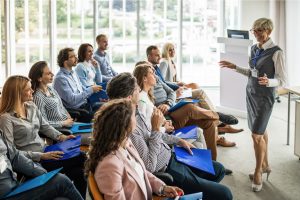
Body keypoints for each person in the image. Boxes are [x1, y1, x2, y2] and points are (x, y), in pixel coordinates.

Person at [106, 72, 233, 200]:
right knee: (225, 194)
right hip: (169, 169)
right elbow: (149, 166)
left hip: (172, 155)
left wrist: (179, 141)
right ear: (129, 97)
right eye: (136, 89)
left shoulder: (136, 112)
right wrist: (156, 129)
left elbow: (152, 136)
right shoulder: (128, 128)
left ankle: (203, 190)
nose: (139, 89)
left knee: (219, 169)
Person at [219, 18, 287, 192]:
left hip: (265, 98)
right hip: (251, 94)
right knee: (261, 131)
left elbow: (282, 80)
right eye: (254, 30)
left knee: (256, 136)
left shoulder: (277, 52)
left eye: (259, 31)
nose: (255, 34)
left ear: (268, 31)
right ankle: (266, 165)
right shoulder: (255, 48)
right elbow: (251, 73)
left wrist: (269, 81)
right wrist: (235, 67)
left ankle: (258, 171)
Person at [0, 75, 87, 198]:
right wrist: (41, 156)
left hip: (46, 150)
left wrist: (62, 137)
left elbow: (45, 126)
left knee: (78, 172)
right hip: (34, 159)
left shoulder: (31, 106)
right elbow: (11, 152)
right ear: (18, 93)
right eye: (28, 89)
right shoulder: (6, 119)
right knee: (81, 157)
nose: (33, 91)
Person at [85, 99, 183, 199]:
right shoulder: (109, 165)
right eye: (133, 115)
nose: (136, 118)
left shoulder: (125, 143)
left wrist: (162, 188)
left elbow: (141, 172)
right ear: (125, 125)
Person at [147, 45, 243, 147]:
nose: (159, 56)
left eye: (174, 49)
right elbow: (165, 84)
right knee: (198, 94)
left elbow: (163, 83)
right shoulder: (158, 66)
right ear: (149, 56)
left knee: (195, 88)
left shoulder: (157, 68)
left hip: (171, 95)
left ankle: (219, 124)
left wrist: (178, 86)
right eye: (156, 55)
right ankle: (219, 123)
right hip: (170, 99)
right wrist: (176, 88)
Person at [133, 63, 207, 149]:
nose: (155, 75)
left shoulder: (146, 96)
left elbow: (151, 121)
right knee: (198, 132)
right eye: (151, 73)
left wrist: (165, 122)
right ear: (144, 78)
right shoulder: (142, 101)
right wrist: (164, 128)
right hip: (161, 141)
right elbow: (146, 133)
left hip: (163, 133)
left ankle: (205, 161)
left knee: (198, 144)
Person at [0, 131, 83, 200]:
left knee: (63, 196)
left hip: (15, 186)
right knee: (61, 180)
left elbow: (14, 156)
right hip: (7, 195)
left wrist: (44, 174)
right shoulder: (6, 119)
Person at [53, 47, 102, 122]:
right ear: (65, 61)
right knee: (107, 114)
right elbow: (72, 100)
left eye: (75, 55)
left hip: (86, 105)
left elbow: (83, 90)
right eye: (72, 56)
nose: (76, 58)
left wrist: (94, 90)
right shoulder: (60, 79)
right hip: (78, 111)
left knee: (110, 106)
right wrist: (91, 89)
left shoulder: (73, 73)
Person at [29, 61, 74, 129]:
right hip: (60, 129)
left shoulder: (50, 88)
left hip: (69, 124)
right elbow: (42, 123)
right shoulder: (37, 97)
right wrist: (63, 123)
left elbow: (61, 106)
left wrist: (69, 118)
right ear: (39, 78)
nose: (52, 74)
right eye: (48, 73)